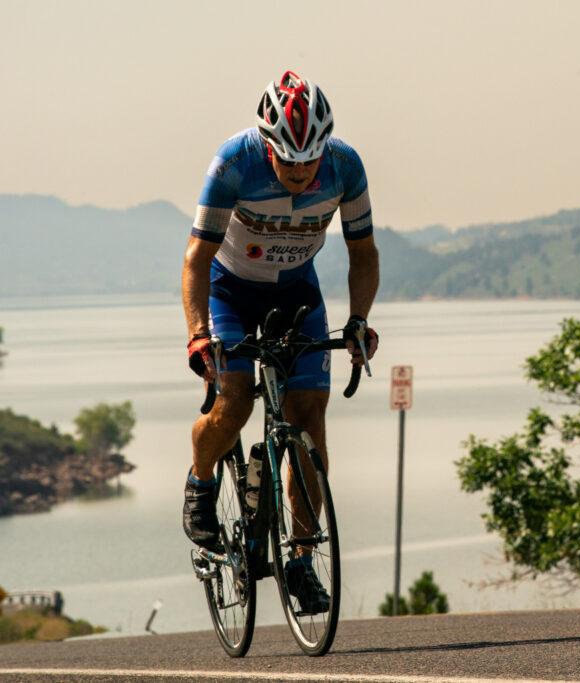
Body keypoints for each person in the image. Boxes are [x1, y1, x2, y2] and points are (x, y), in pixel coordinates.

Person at [181, 71, 379, 613]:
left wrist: (359, 321)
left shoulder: (346, 167)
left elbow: (363, 255)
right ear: (267, 145)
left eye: (309, 160)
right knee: (236, 403)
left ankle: (299, 560)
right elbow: (197, 260)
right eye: (288, 161)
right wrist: (199, 335)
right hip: (230, 294)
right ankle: (200, 484)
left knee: (310, 419)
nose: (299, 171)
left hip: (296, 294)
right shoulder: (233, 163)